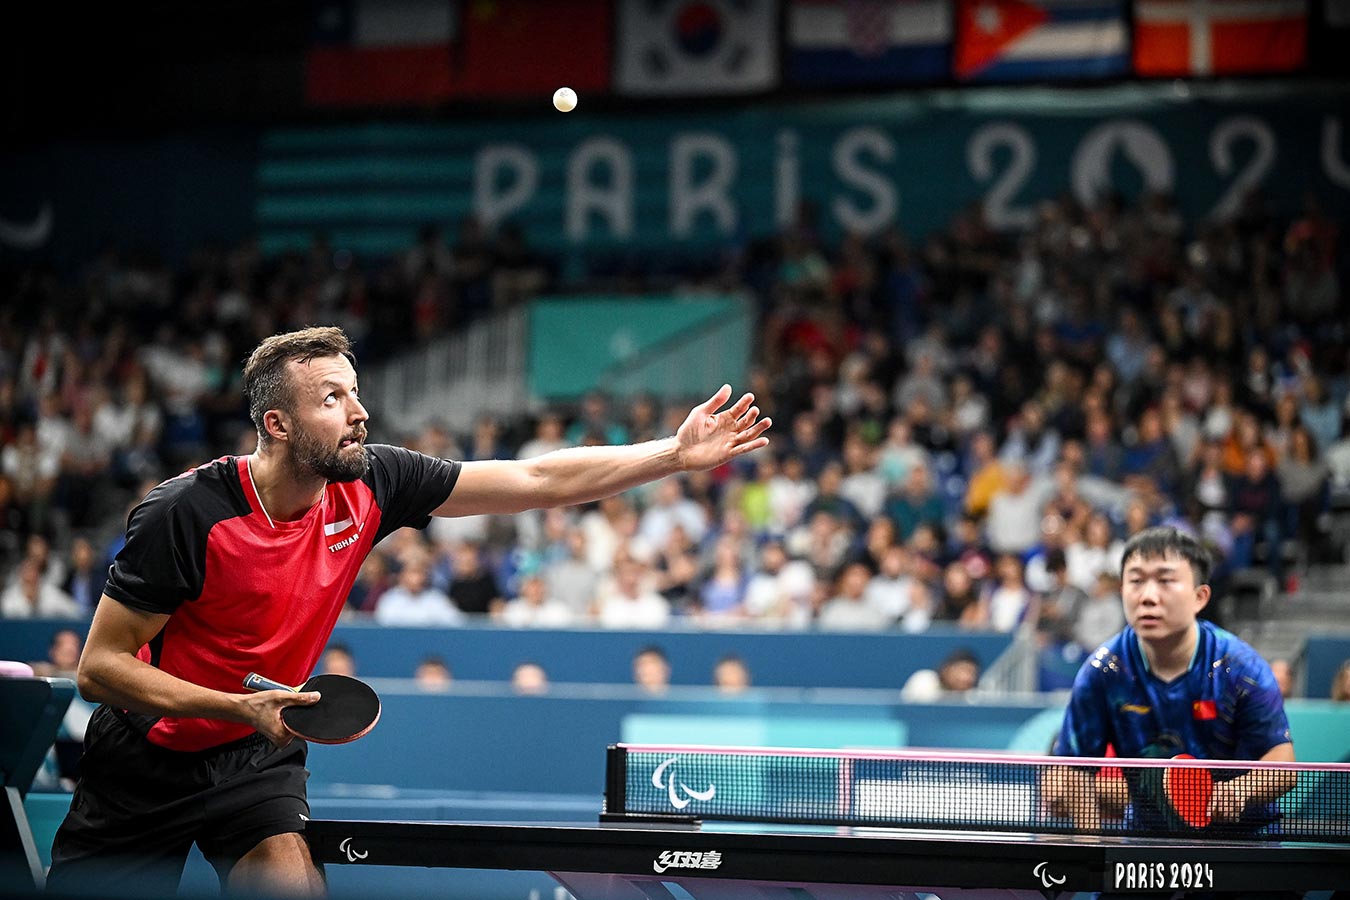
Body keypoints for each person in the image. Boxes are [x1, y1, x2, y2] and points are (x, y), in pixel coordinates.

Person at [51, 325, 770, 896]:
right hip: (145, 758)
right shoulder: (186, 514)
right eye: (332, 399)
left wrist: (672, 455)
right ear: (277, 423)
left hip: (253, 756)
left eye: (356, 392)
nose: (359, 412)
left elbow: (535, 478)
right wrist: (235, 706)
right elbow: (99, 669)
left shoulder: (373, 483)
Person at [1047, 526, 1295, 833]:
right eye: (1136, 581)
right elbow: (1075, 770)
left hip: (1245, 840)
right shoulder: (1104, 671)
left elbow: (1283, 762)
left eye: (1165, 581)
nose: (1148, 596)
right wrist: (1093, 847)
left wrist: (1241, 790)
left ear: (1199, 597)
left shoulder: (1240, 667)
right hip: (1147, 842)